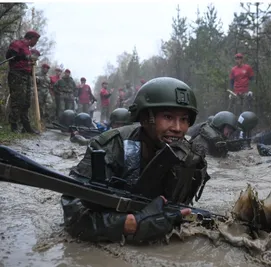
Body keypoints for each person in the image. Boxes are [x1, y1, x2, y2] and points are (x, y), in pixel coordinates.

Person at [60, 77, 209, 243]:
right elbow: (72, 212)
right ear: (145, 118)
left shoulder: (189, 155)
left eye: (184, 119)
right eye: (167, 117)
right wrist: (128, 224)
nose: (178, 128)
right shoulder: (111, 146)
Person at [5, 30, 41, 133]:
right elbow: (9, 56)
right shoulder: (17, 44)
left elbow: (26, 62)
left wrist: (30, 63)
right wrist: (25, 57)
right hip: (17, 75)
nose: (36, 43)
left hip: (26, 76)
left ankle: (25, 125)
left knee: (26, 102)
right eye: (36, 40)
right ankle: (14, 125)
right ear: (31, 38)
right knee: (18, 100)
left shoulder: (28, 49)